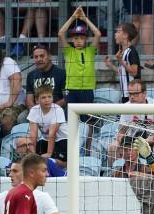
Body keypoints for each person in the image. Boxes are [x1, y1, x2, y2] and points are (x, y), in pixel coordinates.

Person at [58, 6, 100, 150]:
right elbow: (61, 33)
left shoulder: (90, 51)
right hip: (72, 89)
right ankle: (73, 147)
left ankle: (87, 147)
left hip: (87, 89)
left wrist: (84, 19)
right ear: (72, 40)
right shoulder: (68, 51)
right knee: (72, 120)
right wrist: (73, 17)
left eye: (82, 38)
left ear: (86, 39)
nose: (78, 41)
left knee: (88, 120)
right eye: (76, 38)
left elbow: (98, 34)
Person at [107, 79, 154, 167]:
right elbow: (121, 132)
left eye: (135, 94)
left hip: (151, 141)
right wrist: (128, 144)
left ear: (144, 94)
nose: (132, 97)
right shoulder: (126, 107)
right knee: (113, 146)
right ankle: (116, 174)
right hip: (131, 142)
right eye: (130, 94)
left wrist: (148, 140)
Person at [105, 23, 141, 104]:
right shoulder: (123, 52)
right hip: (125, 93)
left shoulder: (132, 51)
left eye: (118, 32)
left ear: (125, 35)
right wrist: (110, 64)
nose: (115, 34)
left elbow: (134, 72)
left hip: (133, 94)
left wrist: (121, 61)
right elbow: (122, 72)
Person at [28, 85, 68, 158]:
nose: (47, 100)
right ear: (37, 100)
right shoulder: (34, 110)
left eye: (49, 97)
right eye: (43, 97)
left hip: (62, 139)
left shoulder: (58, 110)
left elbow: (52, 134)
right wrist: (33, 153)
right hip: (46, 140)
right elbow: (33, 135)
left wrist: (49, 153)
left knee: (53, 160)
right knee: (32, 155)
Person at [25, 45, 66, 110]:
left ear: (49, 57)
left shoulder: (62, 73)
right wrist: (35, 111)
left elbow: (66, 98)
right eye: (36, 57)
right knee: (21, 118)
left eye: (42, 56)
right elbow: (29, 100)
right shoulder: (31, 75)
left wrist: (50, 109)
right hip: (37, 110)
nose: (39, 59)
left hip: (57, 109)